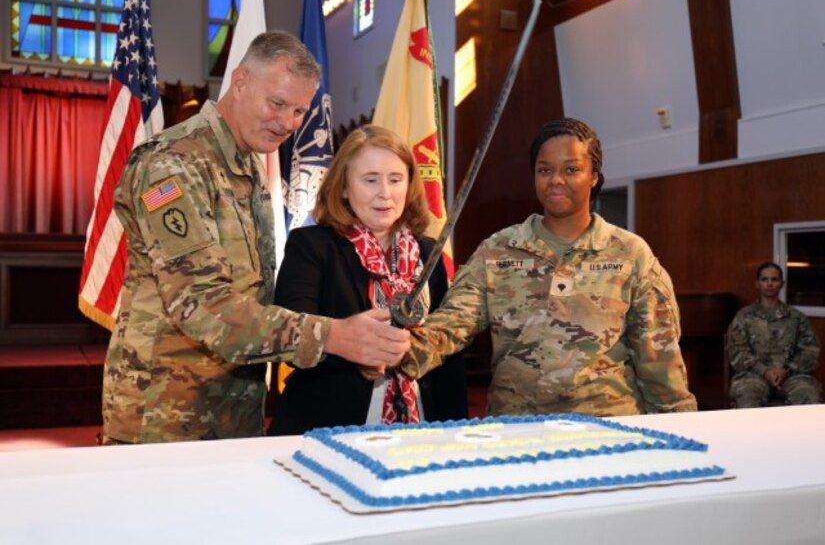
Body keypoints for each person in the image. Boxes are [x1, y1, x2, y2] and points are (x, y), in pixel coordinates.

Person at [102, 32, 410, 444]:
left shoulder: (247, 166)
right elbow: (205, 307)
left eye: (299, 110)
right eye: (277, 103)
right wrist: (335, 336)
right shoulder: (174, 164)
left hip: (234, 409)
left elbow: (255, 297)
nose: (287, 123)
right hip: (166, 415)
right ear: (241, 81)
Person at [400, 118, 697, 417]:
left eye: (571, 169)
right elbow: (453, 323)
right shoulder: (499, 250)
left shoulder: (630, 254)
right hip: (518, 428)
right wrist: (397, 349)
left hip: (607, 428)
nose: (556, 179)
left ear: (594, 176)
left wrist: (680, 426)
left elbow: (659, 359)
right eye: (545, 170)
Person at [267, 125, 467, 435]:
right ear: (344, 188)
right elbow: (289, 339)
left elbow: (448, 356)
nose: (385, 193)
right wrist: (353, 348)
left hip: (422, 430)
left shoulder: (429, 250)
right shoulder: (311, 246)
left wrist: (456, 433)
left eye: (395, 179)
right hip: (329, 430)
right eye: (370, 180)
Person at [727, 262, 822, 407]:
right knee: (747, 397)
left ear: (782, 284)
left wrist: (786, 370)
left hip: (793, 376)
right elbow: (737, 351)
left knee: (809, 396)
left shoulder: (797, 317)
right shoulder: (743, 317)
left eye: (774, 279)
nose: (769, 284)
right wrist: (764, 371)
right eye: (765, 279)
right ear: (757, 284)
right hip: (753, 376)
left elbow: (810, 351)